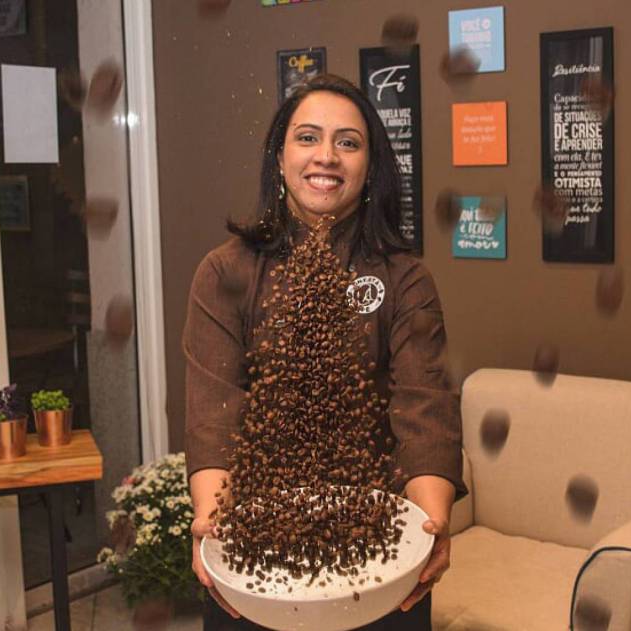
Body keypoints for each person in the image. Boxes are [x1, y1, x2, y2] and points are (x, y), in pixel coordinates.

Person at [183, 74, 464, 631]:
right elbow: (215, 413)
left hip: (376, 547)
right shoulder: (227, 271)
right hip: (257, 545)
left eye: (349, 142)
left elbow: (424, 406)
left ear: (371, 165)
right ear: (279, 156)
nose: (327, 157)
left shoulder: (405, 277)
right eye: (307, 137)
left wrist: (432, 523)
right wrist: (210, 524)